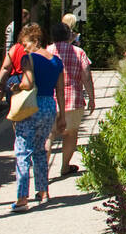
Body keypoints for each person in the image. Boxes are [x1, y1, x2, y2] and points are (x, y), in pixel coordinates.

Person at [8, 23, 67, 212]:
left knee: (23, 151)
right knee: (41, 149)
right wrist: (62, 116)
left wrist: (15, 87)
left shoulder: (29, 59)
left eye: (25, 43)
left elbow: (27, 83)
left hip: (31, 106)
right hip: (50, 105)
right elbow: (60, 90)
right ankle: (43, 191)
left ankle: (22, 197)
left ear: (34, 40)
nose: (23, 48)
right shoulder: (57, 61)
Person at [54, 17, 95, 177]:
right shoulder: (78, 52)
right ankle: (65, 166)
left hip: (51, 99)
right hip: (73, 98)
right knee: (71, 133)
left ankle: (42, 171)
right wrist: (91, 97)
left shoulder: (47, 52)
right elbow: (86, 76)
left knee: (49, 135)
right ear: (68, 35)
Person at [0, 22, 42, 101]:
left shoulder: (15, 48)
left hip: (14, 81)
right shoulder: (39, 49)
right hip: (33, 81)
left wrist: (0, 84)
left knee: (14, 109)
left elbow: (5, 68)